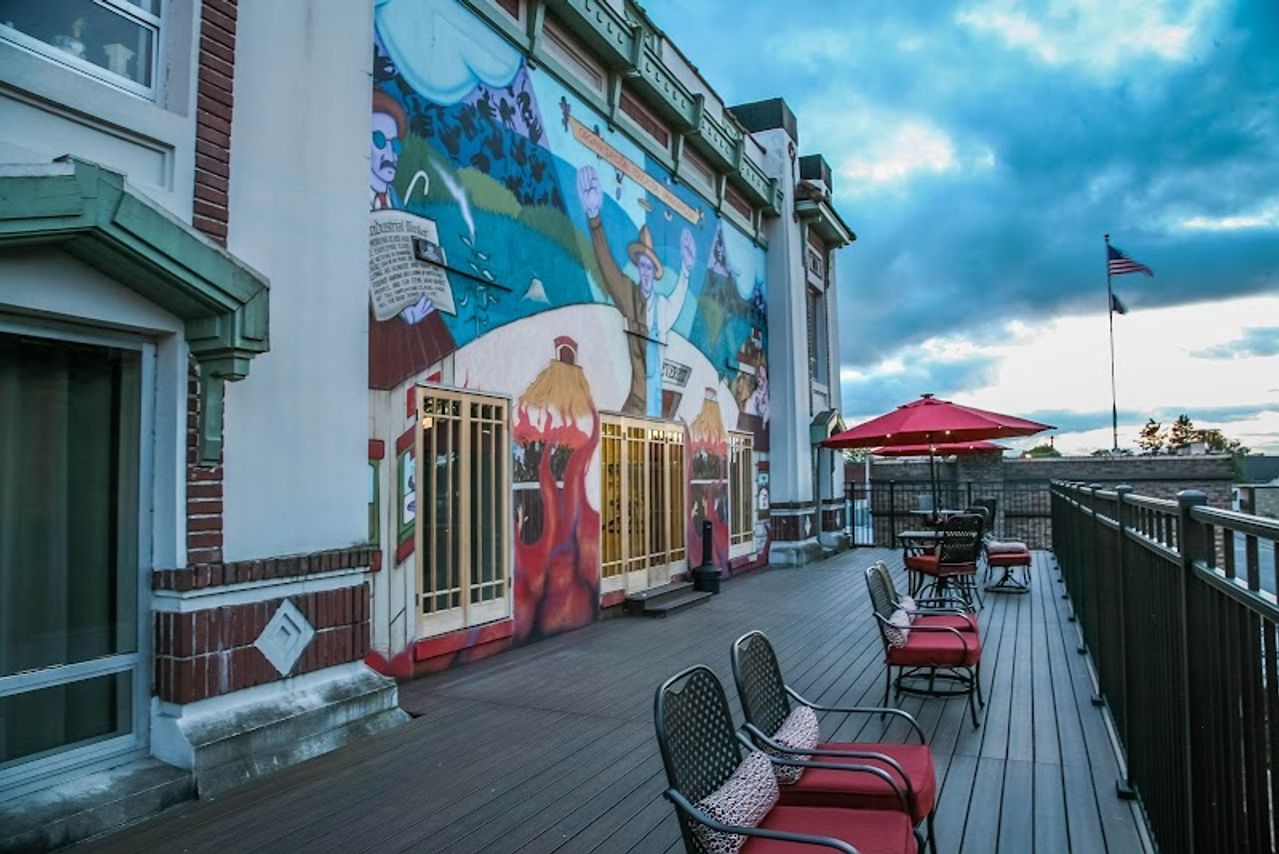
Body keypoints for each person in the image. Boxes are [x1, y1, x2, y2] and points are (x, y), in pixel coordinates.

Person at [577, 164, 694, 416]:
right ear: (638, 268)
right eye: (641, 266)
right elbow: (607, 266)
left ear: (655, 270)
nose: (646, 272)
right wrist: (594, 218)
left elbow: (679, 295)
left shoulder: (662, 307)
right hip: (638, 401)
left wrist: (686, 268)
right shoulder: (630, 296)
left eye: (650, 267)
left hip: (658, 402)